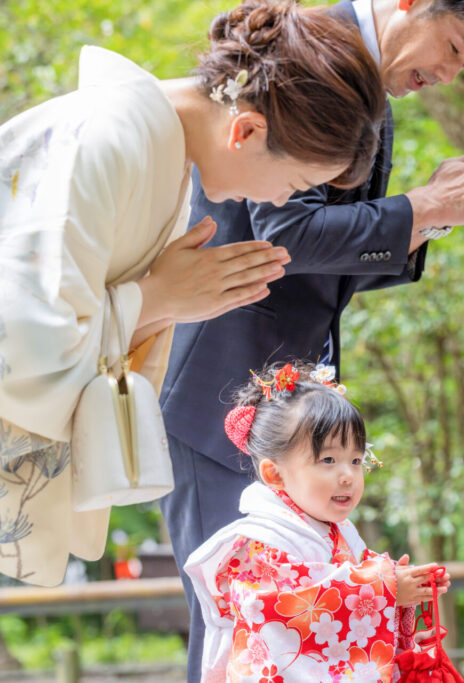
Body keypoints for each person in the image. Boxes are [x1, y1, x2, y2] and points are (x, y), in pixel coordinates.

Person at [159, 0, 464, 676]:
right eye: (454, 47)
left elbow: (319, 271)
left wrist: (427, 220)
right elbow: (287, 234)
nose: (450, 73)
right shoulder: (310, 53)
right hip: (223, 402)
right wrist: (418, 209)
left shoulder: (370, 85)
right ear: (413, 4)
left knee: (314, 630)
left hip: (295, 408)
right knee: (240, 626)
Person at [0, 0, 385, 586]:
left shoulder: (160, 152)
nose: (282, 203)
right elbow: (22, 346)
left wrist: (163, 301)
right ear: (247, 130)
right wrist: (159, 300)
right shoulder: (111, 137)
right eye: (298, 184)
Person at [185, 362, 449, 682]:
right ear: (275, 474)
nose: (348, 476)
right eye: (328, 460)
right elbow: (277, 610)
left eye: (356, 460)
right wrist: (385, 589)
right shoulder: (258, 543)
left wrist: (400, 594)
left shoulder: (339, 532)